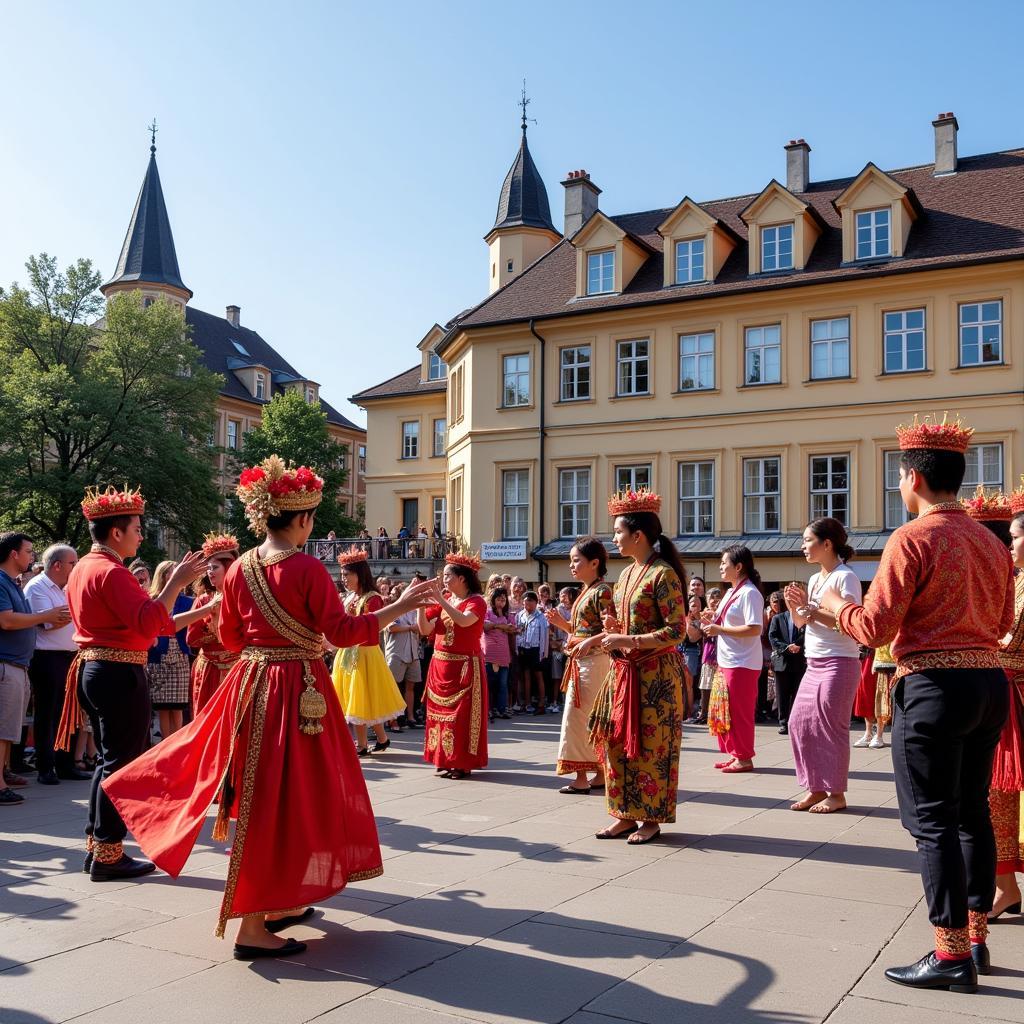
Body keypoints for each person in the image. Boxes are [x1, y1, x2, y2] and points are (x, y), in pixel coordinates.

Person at [103, 456, 438, 957]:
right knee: (290, 798)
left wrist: (269, 652)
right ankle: (251, 926)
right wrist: (400, 607)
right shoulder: (305, 567)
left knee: (270, 796)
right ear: (301, 519)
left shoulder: (239, 569)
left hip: (250, 684)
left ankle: (279, 902)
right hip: (300, 690)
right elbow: (342, 632)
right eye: (312, 519)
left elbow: (233, 636)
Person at [817, 415, 1014, 992]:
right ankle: (975, 938)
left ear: (913, 478)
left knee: (933, 822)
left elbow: (875, 625)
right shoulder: (988, 540)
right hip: (987, 685)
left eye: (900, 475)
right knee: (973, 814)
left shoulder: (913, 537)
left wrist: (835, 613)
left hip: (931, 687)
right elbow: (1002, 623)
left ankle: (950, 953)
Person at [57, 486, 207, 877]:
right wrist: (175, 582)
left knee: (110, 760)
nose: (142, 535)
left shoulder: (85, 568)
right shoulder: (111, 572)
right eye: (137, 528)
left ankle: (99, 846)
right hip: (117, 671)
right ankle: (107, 853)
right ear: (117, 533)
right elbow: (149, 623)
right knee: (120, 764)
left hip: (98, 668)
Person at [590, 488, 686, 845]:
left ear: (638, 535)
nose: (614, 538)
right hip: (625, 673)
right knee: (616, 745)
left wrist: (627, 640)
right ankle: (623, 814)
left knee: (652, 747)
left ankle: (651, 818)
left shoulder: (663, 575)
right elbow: (628, 628)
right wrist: (614, 630)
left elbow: (676, 630)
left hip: (655, 677)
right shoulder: (628, 574)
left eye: (618, 531)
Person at [783, 518, 863, 814]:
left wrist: (812, 611)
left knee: (831, 728)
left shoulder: (846, 577)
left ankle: (836, 793)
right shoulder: (816, 579)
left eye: (808, 540)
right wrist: (796, 607)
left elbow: (848, 623)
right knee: (799, 724)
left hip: (840, 662)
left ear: (827, 543)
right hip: (814, 662)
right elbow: (803, 622)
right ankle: (816, 787)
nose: (803, 546)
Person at [1, 533, 73, 804]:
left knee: (13, 726)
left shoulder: (15, 584)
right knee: (29, 719)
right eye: (28, 551)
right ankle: (33, 770)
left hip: (25, 662)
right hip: (25, 661)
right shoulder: (17, 584)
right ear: (13, 554)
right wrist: (50, 615)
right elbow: (10, 621)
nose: (32, 556)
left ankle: (7, 772)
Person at [548, 538, 612, 794]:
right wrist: (562, 626)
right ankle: (598, 772)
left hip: (593, 663)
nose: (572, 565)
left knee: (577, 717)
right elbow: (583, 631)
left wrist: (588, 642)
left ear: (594, 563)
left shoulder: (602, 592)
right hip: (584, 661)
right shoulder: (588, 590)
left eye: (577, 560)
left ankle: (582, 776)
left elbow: (612, 628)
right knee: (585, 717)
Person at [418, 552, 488, 779]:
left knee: (461, 717)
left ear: (462, 578)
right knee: (438, 715)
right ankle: (443, 759)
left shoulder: (477, 601)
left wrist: (439, 599)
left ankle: (461, 763)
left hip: (464, 667)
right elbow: (425, 630)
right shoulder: (447, 599)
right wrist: (420, 604)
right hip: (440, 665)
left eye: (448, 575)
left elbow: (464, 621)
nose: (444, 579)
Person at [332, 547, 406, 756]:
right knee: (358, 699)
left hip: (365, 654)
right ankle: (382, 739)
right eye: (342, 574)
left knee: (361, 699)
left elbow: (372, 626)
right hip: (348, 653)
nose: (343, 579)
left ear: (359, 574)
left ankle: (362, 744)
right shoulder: (349, 598)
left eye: (347, 574)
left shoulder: (373, 598)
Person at [988, 496, 1024, 921]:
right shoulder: (1012, 579)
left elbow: (1006, 638)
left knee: (1001, 793)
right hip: (1004, 693)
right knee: (997, 796)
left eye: (1013, 538)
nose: (1008, 545)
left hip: (1015, 696)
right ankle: (1006, 887)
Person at [24, 544, 88, 786]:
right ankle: (45, 766)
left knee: (69, 713)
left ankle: (65, 764)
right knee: (48, 713)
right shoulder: (36, 587)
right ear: (58, 565)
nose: (77, 567)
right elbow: (51, 622)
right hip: (47, 658)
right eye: (73, 563)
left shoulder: (69, 588)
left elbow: (64, 616)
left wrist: (66, 613)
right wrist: (73, 612)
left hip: (71, 656)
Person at [701, 545, 763, 774]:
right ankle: (735, 753)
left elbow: (755, 628)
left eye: (724, 563)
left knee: (740, 712)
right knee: (725, 709)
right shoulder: (730, 592)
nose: (720, 567)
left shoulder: (750, 593)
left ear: (738, 567)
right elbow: (722, 624)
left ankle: (744, 757)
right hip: (728, 660)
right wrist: (710, 619)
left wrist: (720, 629)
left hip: (743, 662)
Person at [147, 560, 208, 740]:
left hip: (180, 654)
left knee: (178, 704)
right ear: (164, 575)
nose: (176, 575)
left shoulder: (188, 601)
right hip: (159, 655)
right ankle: (164, 742)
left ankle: (177, 742)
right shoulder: (153, 600)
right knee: (163, 706)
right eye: (172, 572)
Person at [187, 533, 241, 715]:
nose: (210, 571)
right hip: (209, 670)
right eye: (208, 567)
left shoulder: (243, 599)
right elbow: (191, 639)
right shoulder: (203, 601)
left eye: (215, 567)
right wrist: (212, 627)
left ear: (230, 568)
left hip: (236, 668)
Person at [383, 581, 423, 730]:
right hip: (397, 653)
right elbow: (392, 627)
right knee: (392, 687)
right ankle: (392, 720)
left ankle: (410, 717)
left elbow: (421, 629)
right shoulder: (394, 609)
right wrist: (411, 628)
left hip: (413, 653)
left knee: (410, 686)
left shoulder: (416, 610)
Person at [769, 589, 806, 736]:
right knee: (782, 694)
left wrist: (798, 645)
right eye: (789, 600)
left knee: (798, 693)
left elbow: (808, 635)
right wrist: (786, 647)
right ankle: (783, 723)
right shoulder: (778, 618)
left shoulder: (805, 619)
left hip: (799, 660)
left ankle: (796, 722)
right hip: (782, 661)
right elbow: (773, 637)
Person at [482, 587, 515, 720]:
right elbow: (485, 626)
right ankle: (488, 709)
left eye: (503, 599)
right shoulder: (487, 612)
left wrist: (503, 627)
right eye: (498, 599)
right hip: (489, 653)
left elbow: (513, 629)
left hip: (503, 654)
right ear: (493, 600)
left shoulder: (508, 615)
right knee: (489, 683)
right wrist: (501, 626)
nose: (501, 602)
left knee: (502, 684)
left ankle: (502, 709)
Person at [516, 591, 549, 716]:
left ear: (536, 602)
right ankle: (527, 703)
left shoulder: (541, 617)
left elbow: (545, 637)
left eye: (530, 600)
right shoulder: (519, 616)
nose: (527, 603)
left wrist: (544, 653)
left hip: (537, 649)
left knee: (539, 675)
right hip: (523, 648)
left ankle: (541, 704)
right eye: (525, 601)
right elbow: (517, 633)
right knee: (526, 676)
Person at [695, 588, 722, 725]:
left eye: (718, 600)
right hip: (709, 652)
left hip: (722, 654)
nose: (715, 602)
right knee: (705, 685)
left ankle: (717, 713)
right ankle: (704, 713)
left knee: (719, 687)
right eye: (712, 599)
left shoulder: (722, 614)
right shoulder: (704, 614)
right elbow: (703, 632)